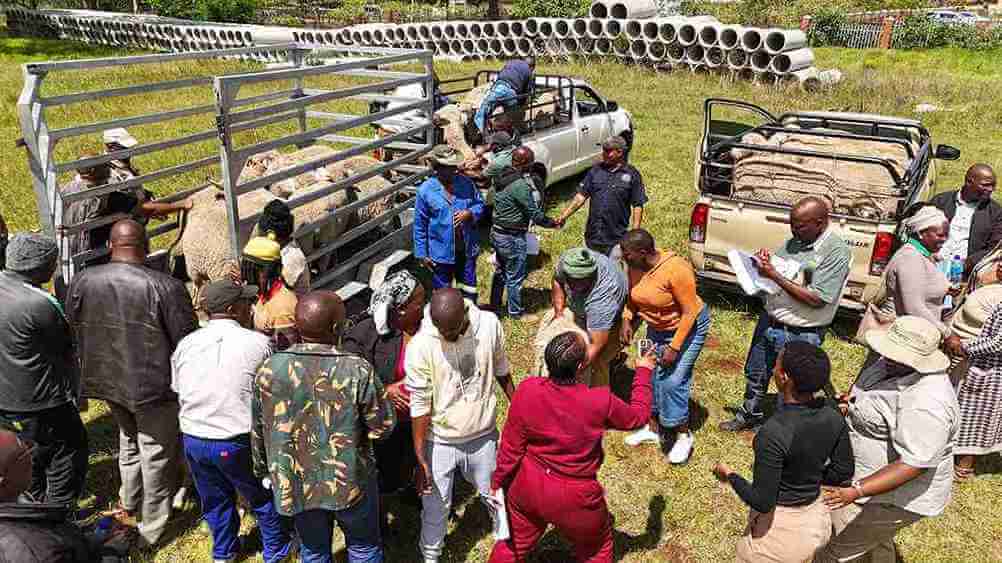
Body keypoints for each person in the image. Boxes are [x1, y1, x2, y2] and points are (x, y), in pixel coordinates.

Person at [66, 219, 197, 547]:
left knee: (128, 440)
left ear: (111, 246)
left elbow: (74, 325)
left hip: (108, 381)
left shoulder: (83, 280)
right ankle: (152, 528)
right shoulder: (166, 286)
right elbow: (188, 341)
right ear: (146, 246)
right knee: (155, 452)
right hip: (155, 386)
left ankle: (129, 501)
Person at [252, 291, 395, 563]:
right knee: (364, 548)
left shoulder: (270, 369)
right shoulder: (357, 370)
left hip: (295, 481)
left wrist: (262, 470)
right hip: (351, 480)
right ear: (335, 328)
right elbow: (382, 428)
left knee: (314, 551)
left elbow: (259, 429)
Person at [488, 332, 655, 562]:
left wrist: (497, 483)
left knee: (512, 546)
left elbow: (510, 447)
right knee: (597, 548)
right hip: (576, 497)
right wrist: (644, 371)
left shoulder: (527, 390)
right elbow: (638, 416)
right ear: (580, 365)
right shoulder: (599, 401)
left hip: (526, 486)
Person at [817, 316, 959, 563]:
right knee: (874, 538)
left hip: (896, 496)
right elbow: (871, 395)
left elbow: (913, 464)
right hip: (866, 478)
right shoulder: (892, 364)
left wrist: (856, 491)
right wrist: (850, 404)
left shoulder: (928, 403)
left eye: (896, 355)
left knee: (838, 551)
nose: (887, 357)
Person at [171, 281, 293, 563]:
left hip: (193, 436)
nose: (250, 307)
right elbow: (274, 390)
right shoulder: (259, 343)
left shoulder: (186, 344)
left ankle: (223, 552)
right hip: (236, 439)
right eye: (245, 302)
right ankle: (276, 551)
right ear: (232, 309)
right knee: (261, 497)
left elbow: (178, 388)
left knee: (214, 499)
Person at [712, 342, 853, 562]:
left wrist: (730, 474)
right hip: (816, 523)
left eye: (776, 366)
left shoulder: (772, 433)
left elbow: (762, 501)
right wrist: (808, 476)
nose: (772, 370)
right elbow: (843, 472)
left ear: (784, 377)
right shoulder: (833, 415)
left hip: (779, 537)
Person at [720, 196, 851, 432]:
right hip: (770, 321)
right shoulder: (795, 241)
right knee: (755, 372)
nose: (793, 230)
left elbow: (817, 299)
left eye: (799, 226)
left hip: (801, 332)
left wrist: (774, 276)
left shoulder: (836, 253)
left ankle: (782, 428)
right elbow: (781, 270)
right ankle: (750, 414)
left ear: (820, 223)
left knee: (791, 384)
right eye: (792, 224)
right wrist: (764, 265)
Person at [406, 288, 514, 563]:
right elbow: (419, 405)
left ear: (465, 314)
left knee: (496, 494)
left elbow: (502, 368)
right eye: (442, 331)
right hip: (439, 441)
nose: (448, 336)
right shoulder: (420, 345)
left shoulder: (489, 325)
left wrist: (519, 405)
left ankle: (505, 544)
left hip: (484, 435)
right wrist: (420, 458)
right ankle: (430, 557)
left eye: (453, 330)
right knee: (435, 508)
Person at [0, 234, 88, 507]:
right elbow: (65, 348)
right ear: (40, 268)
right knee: (67, 451)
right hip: (42, 398)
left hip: (5, 395)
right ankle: (58, 512)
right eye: (52, 263)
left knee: (25, 452)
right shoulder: (40, 304)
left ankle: (29, 499)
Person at [618, 229, 711, 463]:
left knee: (671, 380)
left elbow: (690, 312)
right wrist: (627, 318)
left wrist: (675, 347)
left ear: (642, 253)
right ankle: (653, 428)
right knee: (648, 375)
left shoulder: (676, 269)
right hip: (655, 328)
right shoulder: (635, 266)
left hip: (687, 328)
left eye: (626, 254)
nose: (623, 258)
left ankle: (683, 434)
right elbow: (633, 297)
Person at [341, 271, 426, 499]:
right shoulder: (364, 336)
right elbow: (348, 382)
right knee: (386, 471)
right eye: (419, 303)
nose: (424, 307)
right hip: (385, 422)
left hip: (422, 418)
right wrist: (384, 391)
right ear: (401, 309)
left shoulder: (427, 327)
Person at [0, 430, 131, 563]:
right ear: (3, 480)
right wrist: (113, 552)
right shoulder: (33, 553)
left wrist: (91, 539)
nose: (32, 455)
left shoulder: (17, 500)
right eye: (25, 453)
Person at [868, 204, 962, 355]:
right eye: (939, 235)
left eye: (946, 235)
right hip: (902, 339)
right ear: (921, 233)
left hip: (915, 336)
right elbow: (914, 307)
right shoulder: (910, 258)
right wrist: (947, 333)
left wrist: (946, 290)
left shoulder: (924, 255)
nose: (944, 240)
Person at [489, 146, 559, 319]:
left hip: (497, 232)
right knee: (515, 277)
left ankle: (495, 304)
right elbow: (533, 213)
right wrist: (552, 223)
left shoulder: (502, 175)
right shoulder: (519, 185)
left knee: (500, 271)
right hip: (512, 236)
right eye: (530, 162)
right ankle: (515, 313)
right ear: (524, 164)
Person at [413, 145, 485, 301]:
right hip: (440, 253)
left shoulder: (466, 183)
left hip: (466, 249)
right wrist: (421, 253)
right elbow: (420, 224)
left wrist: (470, 213)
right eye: (447, 168)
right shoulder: (426, 190)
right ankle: (446, 321)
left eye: (453, 166)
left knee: (468, 290)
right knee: (443, 295)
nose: (453, 171)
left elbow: (479, 203)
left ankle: (469, 318)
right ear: (436, 168)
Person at [554, 135, 646, 259]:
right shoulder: (596, 171)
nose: (603, 154)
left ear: (619, 152)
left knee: (615, 275)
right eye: (603, 150)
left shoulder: (632, 175)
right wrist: (564, 216)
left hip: (616, 240)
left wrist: (634, 235)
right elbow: (581, 196)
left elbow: (637, 204)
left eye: (608, 151)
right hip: (592, 238)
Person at [551, 247, 628, 387]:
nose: (573, 285)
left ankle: (600, 399)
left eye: (580, 281)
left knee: (598, 361)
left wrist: (567, 375)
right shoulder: (569, 261)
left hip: (613, 319)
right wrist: (559, 314)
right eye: (571, 280)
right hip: (587, 313)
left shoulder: (603, 297)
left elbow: (596, 345)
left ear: (592, 275)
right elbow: (557, 280)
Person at [953, 301, 1002, 479]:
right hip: (991, 370)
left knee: (977, 418)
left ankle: (963, 468)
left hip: (992, 372)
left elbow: (998, 343)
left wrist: (963, 346)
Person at [930, 163, 1000, 276]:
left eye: (993, 185)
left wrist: (967, 263)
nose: (991, 189)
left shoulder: (995, 212)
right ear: (969, 182)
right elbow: (922, 231)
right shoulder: (940, 201)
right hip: (931, 264)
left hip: (966, 272)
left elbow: (994, 248)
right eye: (985, 185)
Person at [241, 234, 299, 350]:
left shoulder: (282, 307)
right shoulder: (262, 295)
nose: (248, 279)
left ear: (266, 272)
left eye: (251, 273)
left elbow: (286, 355)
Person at [257, 199, 311, 295]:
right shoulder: (281, 249)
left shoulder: (291, 259)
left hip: (290, 307)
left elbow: (276, 296)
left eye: (263, 234)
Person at [474, 57, 536, 133]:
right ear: (532, 67)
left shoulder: (512, 61)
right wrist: (521, 105)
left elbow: (502, 73)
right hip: (510, 91)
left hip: (498, 87)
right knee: (513, 114)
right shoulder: (528, 71)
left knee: (485, 108)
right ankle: (514, 132)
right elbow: (526, 92)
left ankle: (480, 130)